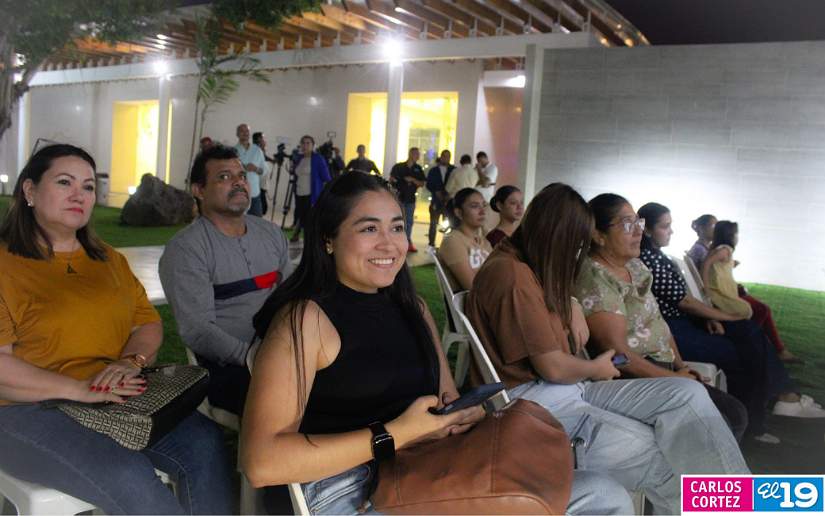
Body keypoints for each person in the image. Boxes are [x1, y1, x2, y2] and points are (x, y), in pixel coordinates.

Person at [240, 172, 629, 515]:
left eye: (397, 228)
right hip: (347, 489)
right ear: (328, 238)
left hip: (428, 467)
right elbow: (261, 463)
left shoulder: (413, 308)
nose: (390, 244)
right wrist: (397, 434)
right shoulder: (305, 320)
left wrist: (457, 416)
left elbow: (447, 398)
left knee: (605, 494)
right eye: (369, 229)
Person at [466, 183, 749, 516]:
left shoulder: (527, 262)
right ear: (556, 236)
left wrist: (571, 303)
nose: (578, 254)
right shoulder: (512, 275)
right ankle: (736, 507)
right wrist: (596, 368)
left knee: (687, 394)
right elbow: (552, 366)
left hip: (567, 389)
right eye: (576, 244)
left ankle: (739, 503)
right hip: (535, 403)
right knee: (664, 459)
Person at [0, 144, 233, 514]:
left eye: (88, 186)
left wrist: (131, 361)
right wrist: (80, 389)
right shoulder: (5, 264)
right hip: (26, 410)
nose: (79, 195)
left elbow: (148, 322)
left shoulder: (108, 260)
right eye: (65, 182)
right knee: (127, 473)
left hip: (111, 400)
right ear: (29, 190)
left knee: (204, 443)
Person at [635, 202, 824, 442]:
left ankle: (778, 400)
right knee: (740, 348)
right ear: (647, 230)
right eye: (665, 226)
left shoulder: (656, 255)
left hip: (684, 322)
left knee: (749, 331)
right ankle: (766, 411)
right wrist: (724, 316)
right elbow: (685, 302)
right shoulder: (647, 259)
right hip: (676, 329)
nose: (671, 231)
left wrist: (711, 317)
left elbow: (686, 301)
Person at [159, 145, 292, 416]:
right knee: (302, 399)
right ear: (199, 190)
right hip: (229, 367)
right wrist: (255, 357)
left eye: (241, 175)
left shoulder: (271, 233)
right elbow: (198, 330)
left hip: (284, 352)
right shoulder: (186, 249)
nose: (238, 182)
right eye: (224, 177)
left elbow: (294, 297)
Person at [701, 221, 803, 363]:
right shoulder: (724, 250)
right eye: (736, 234)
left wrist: (731, 264)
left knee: (761, 309)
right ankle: (755, 343)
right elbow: (706, 264)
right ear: (730, 235)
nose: (737, 237)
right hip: (721, 294)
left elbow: (715, 266)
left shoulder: (720, 250)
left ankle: (772, 347)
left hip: (726, 291)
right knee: (757, 310)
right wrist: (706, 287)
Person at [437, 188, 492, 292]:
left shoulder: (484, 241)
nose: (483, 211)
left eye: (484, 205)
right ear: (458, 212)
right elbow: (472, 286)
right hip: (476, 299)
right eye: (474, 206)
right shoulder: (453, 240)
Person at [290, 135, 332, 243]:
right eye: (303, 143)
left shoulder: (318, 158)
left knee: (310, 220)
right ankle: (301, 237)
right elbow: (296, 174)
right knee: (302, 217)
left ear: (313, 145)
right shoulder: (299, 158)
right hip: (299, 193)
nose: (305, 145)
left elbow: (326, 177)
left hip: (312, 195)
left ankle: (310, 243)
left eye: (308, 143)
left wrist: (325, 195)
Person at [389, 147, 426, 252]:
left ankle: (407, 241)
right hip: (398, 198)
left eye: (418, 154)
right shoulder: (399, 167)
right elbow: (391, 180)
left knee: (409, 221)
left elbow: (422, 183)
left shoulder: (418, 168)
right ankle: (394, 241)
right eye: (416, 154)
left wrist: (412, 180)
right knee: (397, 221)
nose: (418, 156)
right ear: (410, 154)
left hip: (410, 199)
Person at [234, 123, 266, 217]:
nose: (245, 133)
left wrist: (256, 169)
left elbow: (263, 171)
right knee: (238, 220)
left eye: (247, 131)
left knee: (257, 221)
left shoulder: (257, 150)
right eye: (242, 131)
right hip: (238, 193)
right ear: (237, 134)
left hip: (254, 193)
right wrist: (242, 168)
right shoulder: (233, 151)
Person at [425, 149, 455, 249]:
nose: (446, 158)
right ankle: (431, 244)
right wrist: (436, 191)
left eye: (448, 156)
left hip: (448, 202)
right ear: (441, 157)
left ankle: (446, 245)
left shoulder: (453, 170)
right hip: (436, 201)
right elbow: (428, 184)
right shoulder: (433, 170)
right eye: (444, 156)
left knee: (448, 224)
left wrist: (448, 195)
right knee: (433, 223)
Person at [253, 131, 272, 216]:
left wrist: (272, 160)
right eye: (263, 138)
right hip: (258, 186)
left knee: (262, 208)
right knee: (262, 208)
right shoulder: (256, 151)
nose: (265, 140)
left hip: (262, 185)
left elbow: (264, 158)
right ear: (259, 139)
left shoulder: (260, 151)